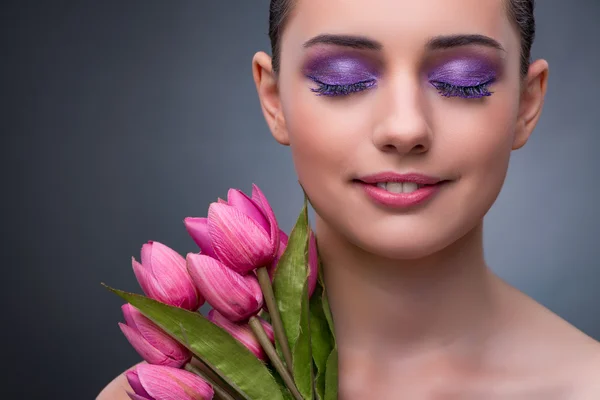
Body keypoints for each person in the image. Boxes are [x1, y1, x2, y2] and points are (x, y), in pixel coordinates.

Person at [98, 0, 600, 398]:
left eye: (461, 80)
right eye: (343, 78)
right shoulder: (163, 395)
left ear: (526, 104)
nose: (405, 128)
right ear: (274, 100)